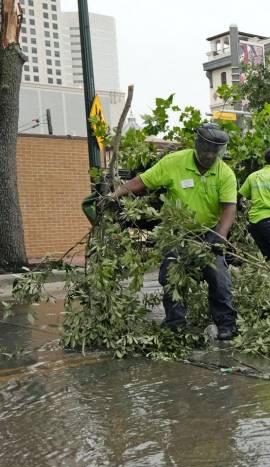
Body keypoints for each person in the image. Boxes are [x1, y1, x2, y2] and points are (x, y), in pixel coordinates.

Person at [102, 124, 239, 340]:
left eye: (215, 152)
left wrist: (219, 237)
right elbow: (142, 181)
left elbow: (229, 209)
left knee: (219, 278)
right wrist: (115, 195)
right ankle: (175, 324)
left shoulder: (225, 174)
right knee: (172, 277)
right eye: (206, 150)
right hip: (176, 232)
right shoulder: (174, 162)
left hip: (209, 232)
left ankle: (226, 324)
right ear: (198, 146)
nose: (210, 155)